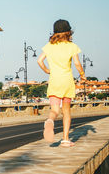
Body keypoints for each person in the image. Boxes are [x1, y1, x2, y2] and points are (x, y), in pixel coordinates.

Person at [37, 19, 86, 147]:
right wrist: (82, 75)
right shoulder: (72, 47)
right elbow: (77, 63)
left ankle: (50, 120)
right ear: (69, 32)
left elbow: (39, 61)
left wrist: (47, 70)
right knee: (66, 111)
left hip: (54, 80)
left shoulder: (49, 46)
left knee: (54, 110)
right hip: (67, 82)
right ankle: (65, 139)